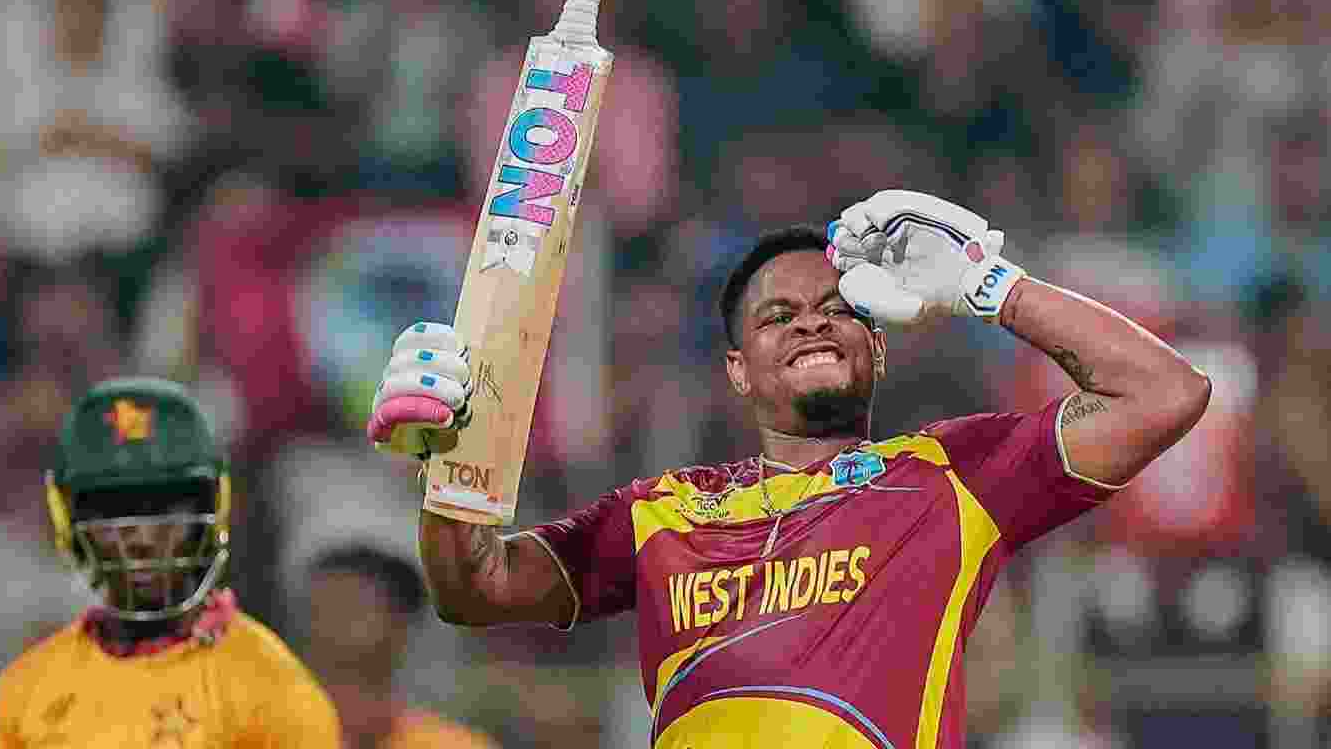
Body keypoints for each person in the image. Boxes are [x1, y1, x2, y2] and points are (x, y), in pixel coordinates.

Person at [367, 191, 1212, 748]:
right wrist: (450, 466)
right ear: (737, 368)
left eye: (837, 310)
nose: (811, 324)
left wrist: (991, 285)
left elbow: (1166, 394)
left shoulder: (951, 477)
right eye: (778, 317)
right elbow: (471, 587)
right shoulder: (662, 511)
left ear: (878, 344)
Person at [0, 376, 341, 747]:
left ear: (211, 510)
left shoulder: (272, 691)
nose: (141, 538)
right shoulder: (27, 692)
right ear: (70, 523)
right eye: (115, 511)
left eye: (164, 508)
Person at [304, 543, 500, 749]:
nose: (327, 624)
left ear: (402, 623)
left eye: (352, 607)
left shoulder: (455, 745)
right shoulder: (275, 730)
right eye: (316, 610)